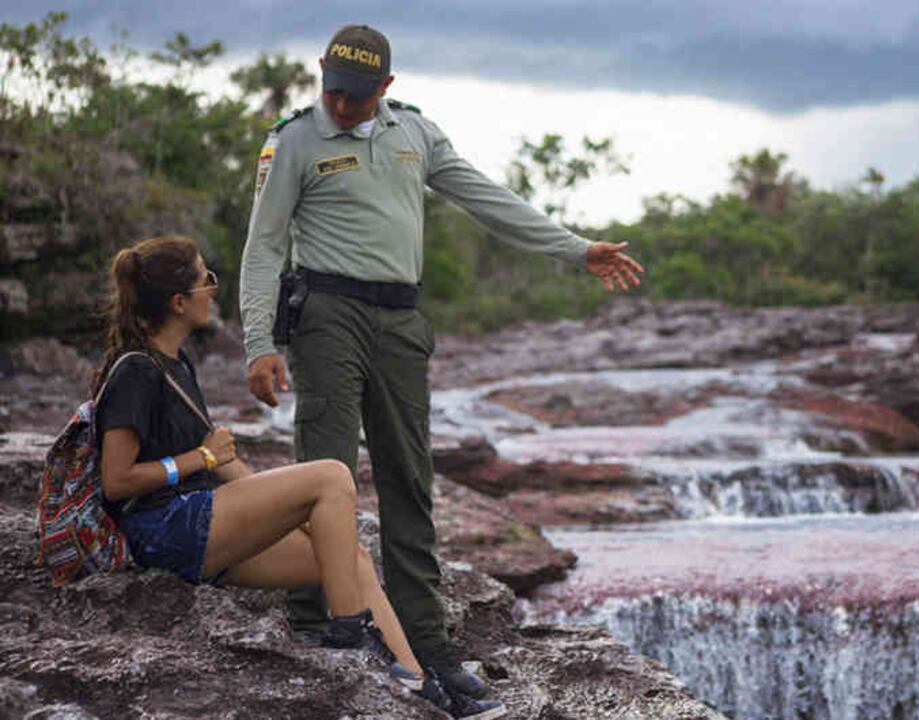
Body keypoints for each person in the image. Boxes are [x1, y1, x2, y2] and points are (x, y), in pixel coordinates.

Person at [238, 23, 644, 710]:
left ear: (387, 89)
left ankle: (428, 644)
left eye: (358, 97)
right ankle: (317, 624)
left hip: (400, 320)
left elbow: (489, 199)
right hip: (327, 314)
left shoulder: (417, 135)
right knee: (325, 472)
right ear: (321, 75)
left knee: (409, 479)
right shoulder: (295, 138)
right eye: (334, 91)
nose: (342, 106)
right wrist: (259, 343)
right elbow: (264, 245)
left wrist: (575, 249)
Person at [95, 235, 504, 720]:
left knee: (347, 555)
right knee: (332, 475)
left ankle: (415, 683)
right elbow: (116, 482)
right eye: (206, 279)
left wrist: (288, 512)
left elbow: (226, 466)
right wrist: (195, 460)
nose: (214, 289)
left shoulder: (177, 365)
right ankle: (350, 633)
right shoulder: (134, 372)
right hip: (162, 531)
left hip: (202, 527)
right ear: (178, 302)